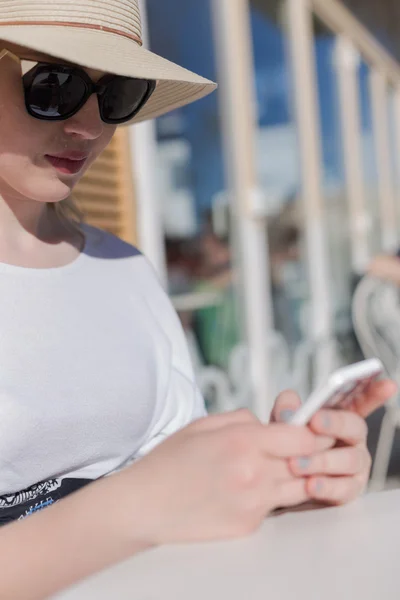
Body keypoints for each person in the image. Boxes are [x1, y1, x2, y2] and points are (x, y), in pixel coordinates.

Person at [0, 1, 395, 598]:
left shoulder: (124, 270)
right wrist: (140, 505)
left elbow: (174, 495)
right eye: (53, 85)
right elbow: (150, 501)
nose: (89, 127)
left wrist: (275, 485)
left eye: (117, 95)